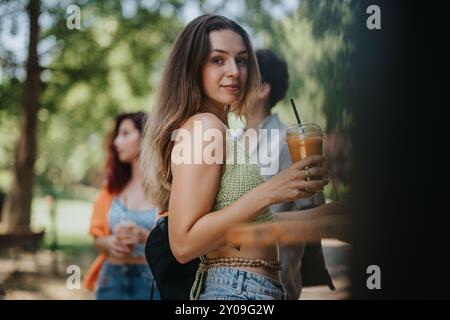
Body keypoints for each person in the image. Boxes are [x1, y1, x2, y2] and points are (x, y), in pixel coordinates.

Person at [140, 14, 329, 300]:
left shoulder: (219, 129)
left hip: (250, 289)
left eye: (241, 60)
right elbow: (183, 244)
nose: (234, 71)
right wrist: (271, 191)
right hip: (235, 291)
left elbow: (246, 226)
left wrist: (329, 215)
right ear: (193, 67)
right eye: (218, 60)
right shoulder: (205, 127)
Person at [237, 49, 335, 300]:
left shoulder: (289, 142)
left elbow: (312, 212)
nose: (233, 78)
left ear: (262, 89)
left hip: (272, 285)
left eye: (243, 73)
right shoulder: (230, 142)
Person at [83, 112, 160, 300]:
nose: (117, 142)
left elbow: (178, 242)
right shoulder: (111, 189)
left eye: (125, 134)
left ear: (145, 136)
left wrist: (146, 237)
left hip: (152, 281)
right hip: (111, 279)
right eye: (117, 135)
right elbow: (97, 239)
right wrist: (110, 243)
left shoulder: (167, 189)